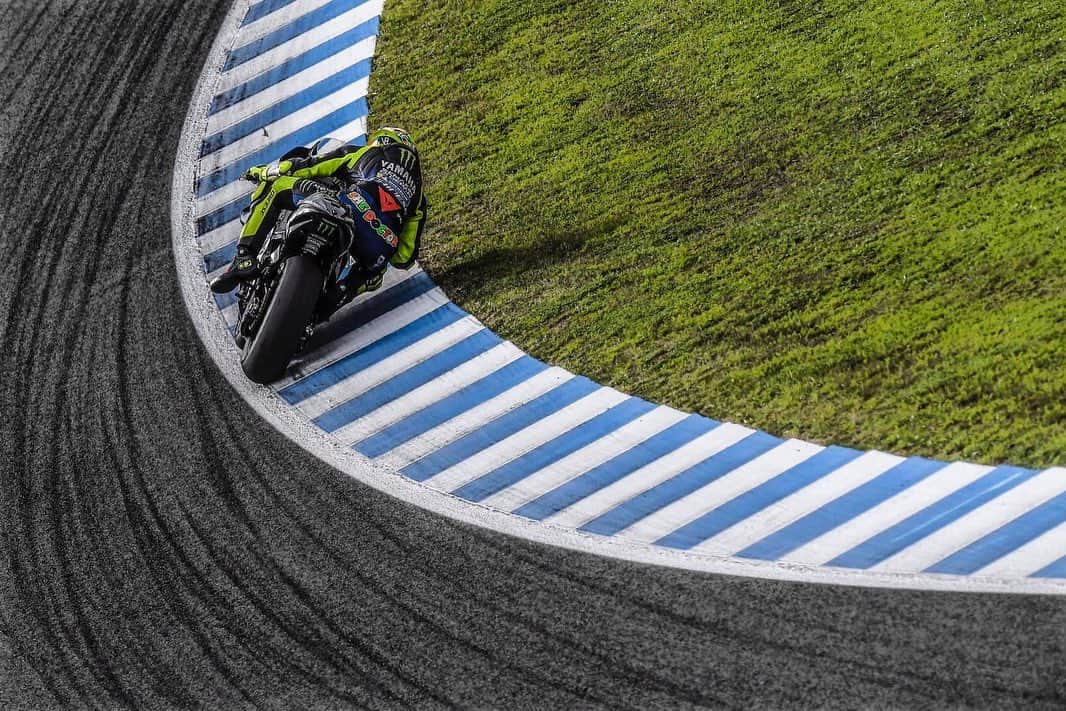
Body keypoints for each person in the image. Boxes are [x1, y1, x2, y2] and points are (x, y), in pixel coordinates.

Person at [210, 126, 427, 321]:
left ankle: (244, 257)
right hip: (380, 243)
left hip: (347, 205)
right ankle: (333, 299)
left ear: (382, 140)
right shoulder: (418, 195)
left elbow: (306, 167)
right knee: (374, 273)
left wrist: (261, 172)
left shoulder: (363, 152)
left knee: (279, 185)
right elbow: (404, 258)